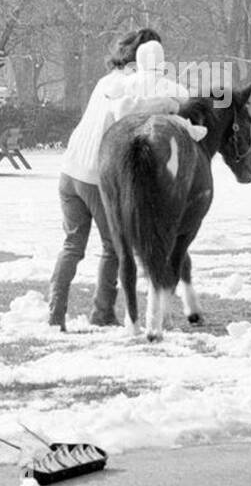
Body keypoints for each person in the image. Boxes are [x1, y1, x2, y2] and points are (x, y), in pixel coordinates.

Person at [48, 28, 179, 330]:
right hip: (95, 174)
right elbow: (137, 110)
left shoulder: (105, 81)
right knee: (114, 247)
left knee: (72, 245)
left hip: (69, 171)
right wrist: (171, 104)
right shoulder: (130, 85)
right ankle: (102, 312)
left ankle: (55, 313)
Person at [104, 40, 206, 142]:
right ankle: (193, 131)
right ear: (161, 62)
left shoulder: (130, 80)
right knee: (180, 123)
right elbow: (184, 97)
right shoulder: (164, 83)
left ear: (139, 61)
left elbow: (111, 92)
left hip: (132, 116)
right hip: (159, 117)